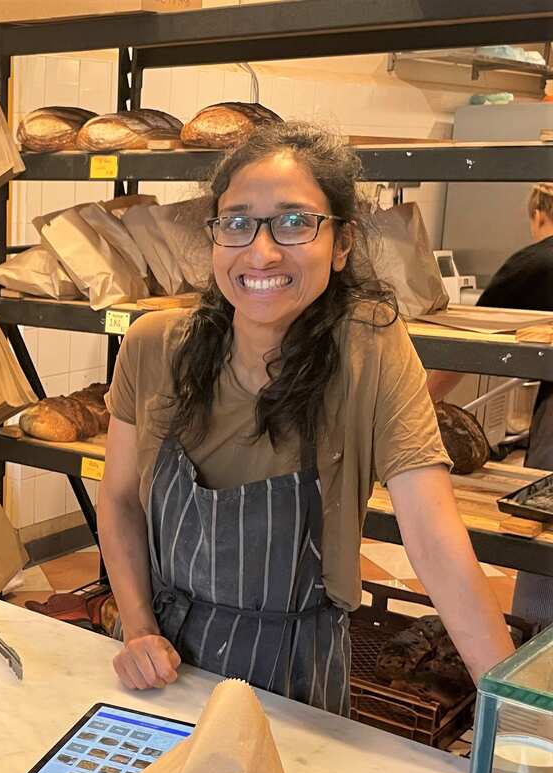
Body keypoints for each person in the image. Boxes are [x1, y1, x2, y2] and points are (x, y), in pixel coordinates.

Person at [98, 122, 515, 715]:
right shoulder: (152, 346)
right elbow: (118, 501)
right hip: (166, 661)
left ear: (341, 243)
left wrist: (515, 719)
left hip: (296, 668)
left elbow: (433, 538)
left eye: (295, 222)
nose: (261, 251)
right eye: (237, 222)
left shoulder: (370, 349)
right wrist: (138, 628)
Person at [428, 182, 553, 627]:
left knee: (543, 567)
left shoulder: (536, 263)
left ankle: (530, 679)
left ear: (539, 211)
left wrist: (405, 413)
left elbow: (459, 352)